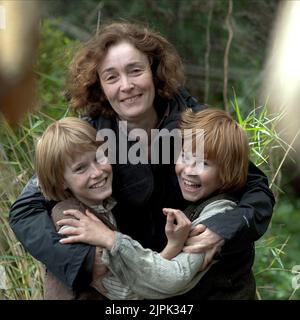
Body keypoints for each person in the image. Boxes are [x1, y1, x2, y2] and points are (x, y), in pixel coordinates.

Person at [9, 22, 275, 299]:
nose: (126, 86)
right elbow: (25, 209)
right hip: (132, 278)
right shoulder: (88, 137)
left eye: (135, 71)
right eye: (111, 77)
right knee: (61, 209)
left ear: (153, 69)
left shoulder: (197, 124)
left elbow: (257, 190)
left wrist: (224, 229)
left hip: (204, 281)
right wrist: (85, 261)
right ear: (99, 85)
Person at [57, 108, 256, 299]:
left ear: (227, 172)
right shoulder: (195, 199)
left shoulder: (220, 213)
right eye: (185, 156)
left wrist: (110, 239)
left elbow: (172, 279)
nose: (189, 170)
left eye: (203, 163)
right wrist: (174, 245)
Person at [35, 117, 193, 299]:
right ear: (61, 181)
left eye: (99, 157)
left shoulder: (103, 207)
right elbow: (129, 294)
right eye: (80, 168)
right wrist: (175, 246)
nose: (97, 172)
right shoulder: (71, 218)